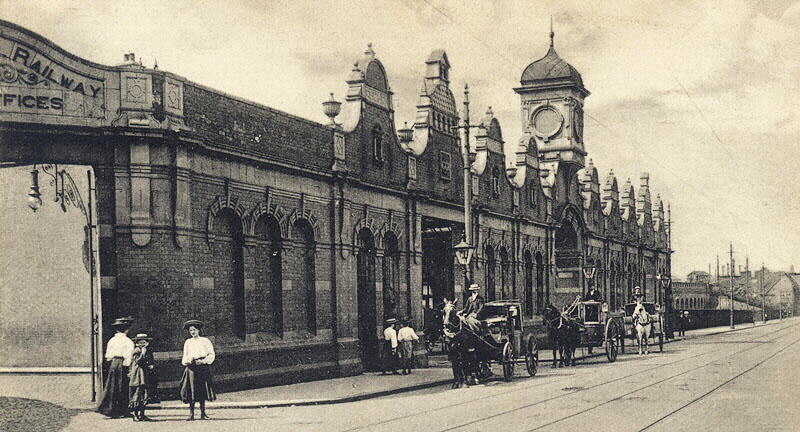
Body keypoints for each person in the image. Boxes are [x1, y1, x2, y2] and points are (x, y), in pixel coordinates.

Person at [97, 317, 135, 418]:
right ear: (127, 329)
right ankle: (123, 410)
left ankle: (111, 410)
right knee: (123, 386)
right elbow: (129, 355)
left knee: (112, 386)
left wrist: (114, 361)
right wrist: (128, 366)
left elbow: (108, 356)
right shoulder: (128, 341)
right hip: (122, 363)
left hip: (114, 363)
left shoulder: (112, 340)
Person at [180, 320, 216, 421]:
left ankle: (203, 413)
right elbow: (184, 357)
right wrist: (188, 360)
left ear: (199, 330)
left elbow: (211, 354)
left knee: (202, 390)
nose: (192, 332)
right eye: (191, 330)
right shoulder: (188, 342)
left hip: (202, 368)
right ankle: (191, 414)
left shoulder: (205, 341)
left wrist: (204, 361)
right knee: (191, 390)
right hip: (191, 368)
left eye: (194, 330)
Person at [128, 333, 156, 421]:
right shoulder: (136, 351)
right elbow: (138, 361)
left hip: (145, 375)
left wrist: (151, 365)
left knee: (144, 394)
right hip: (137, 375)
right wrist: (142, 354)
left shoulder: (148, 351)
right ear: (137, 343)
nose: (142, 344)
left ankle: (142, 414)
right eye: (140, 343)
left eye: (144, 342)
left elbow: (149, 361)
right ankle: (135, 415)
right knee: (137, 394)